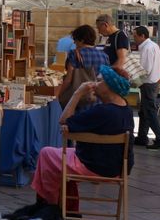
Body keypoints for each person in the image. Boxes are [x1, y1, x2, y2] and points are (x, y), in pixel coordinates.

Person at [31, 65, 135, 210]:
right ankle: (67, 208)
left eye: (99, 81)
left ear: (109, 86)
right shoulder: (126, 110)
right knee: (60, 158)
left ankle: (49, 206)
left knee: (46, 154)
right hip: (118, 168)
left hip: (94, 165)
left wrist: (78, 93)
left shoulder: (102, 111)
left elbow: (63, 120)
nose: (95, 84)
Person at [56, 24, 109, 108]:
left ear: (81, 40)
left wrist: (57, 95)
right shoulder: (104, 55)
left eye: (75, 40)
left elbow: (68, 80)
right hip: (97, 99)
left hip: (79, 100)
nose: (74, 42)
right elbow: (105, 78)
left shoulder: (74, 54)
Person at [133, 26, 160, 149]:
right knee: (144, 111)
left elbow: (146, 69)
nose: (134, 38)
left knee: (149, 112)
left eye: (135, 36)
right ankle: (142, 137)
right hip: (151, 81)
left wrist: (135, 80)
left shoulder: (147, 48)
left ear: (142, 36)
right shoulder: (152, 46)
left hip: (148, 82)